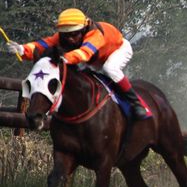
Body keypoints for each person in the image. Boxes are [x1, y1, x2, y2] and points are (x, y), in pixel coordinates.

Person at [4, 8, 149, 120]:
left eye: (74, 34)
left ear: (84, 28)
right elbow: (42, 45)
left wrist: (65, 58)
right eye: (66, 35)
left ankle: (136, 103)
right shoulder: (63, 37)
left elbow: (84, 53)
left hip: (117, 50)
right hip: (95, 60)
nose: (71, 39)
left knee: (109, 68)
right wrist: (22, 49)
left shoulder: (95, 35)